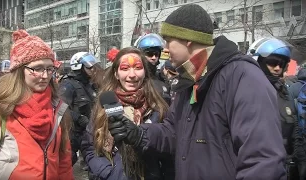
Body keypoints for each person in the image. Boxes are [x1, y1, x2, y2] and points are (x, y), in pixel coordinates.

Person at [107, 4, 287, 180]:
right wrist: (139, 134)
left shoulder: (242, 77)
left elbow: (263, 161)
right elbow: (174, 132)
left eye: (169, 41)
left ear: (188, 40)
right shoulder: (190, 81)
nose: (166, 49)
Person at [0, 29, 73, 179]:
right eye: (37, 68)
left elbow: (63, 161)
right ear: (19, 70)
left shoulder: (57, 108)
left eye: (49, 68)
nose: (45, 76)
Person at [81, 47, 174, 180]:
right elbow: (89, 147)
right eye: (125, 69)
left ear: (145, 72)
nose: (132, 75)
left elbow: (171, 148)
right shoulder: (104, 104)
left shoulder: (160, 105)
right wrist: (108, 173)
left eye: (137, 68)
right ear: (116, 74)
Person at [248, 37, 301, 179]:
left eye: (281, 64)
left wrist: (294, 161)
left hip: (283, 168)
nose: (277, 68)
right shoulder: (246, 91)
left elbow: (294, 129)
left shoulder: (284, 92)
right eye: (272, 62)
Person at [59, 52, 103, 166]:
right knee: (68, 161)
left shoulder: (91, 85)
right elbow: (60, 108)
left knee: (94, 162)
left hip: (89, 131)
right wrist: (78, 118)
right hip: (73, 133)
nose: (93, 70)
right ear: (78, 67)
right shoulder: (68, 85)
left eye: (94, 67)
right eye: (89, 67)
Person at [135, 33, 171, 104]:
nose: (154, 57)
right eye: (150, 54)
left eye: (156, 54)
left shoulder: (162, 77)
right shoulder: (135, 77)